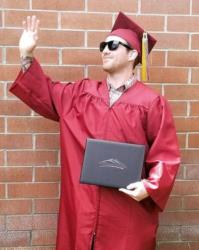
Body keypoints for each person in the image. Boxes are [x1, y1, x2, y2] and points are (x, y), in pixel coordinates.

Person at [10, 12, 180, 250]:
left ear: (133, 54)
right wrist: (26, 55)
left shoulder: (151, 102)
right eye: (103, 45)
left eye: (113, 45)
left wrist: (150, 186)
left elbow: (166, 155)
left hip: (126, 209)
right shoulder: (80, 94)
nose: (105, 50)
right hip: (82, 205)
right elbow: (45, 93)